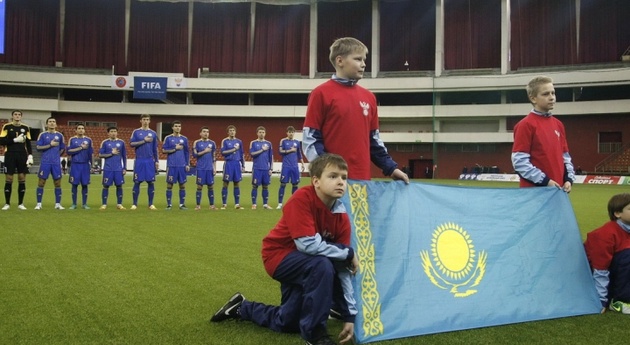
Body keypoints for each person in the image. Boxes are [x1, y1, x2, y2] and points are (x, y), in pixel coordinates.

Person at [210, 154, 358, 345]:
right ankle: (315, 336)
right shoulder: (302, 198)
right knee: (322, 265)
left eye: (344, 178)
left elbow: (343, 270)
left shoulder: (341, 217)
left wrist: (349, 315)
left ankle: (241, 307)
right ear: (316, 181)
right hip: (279, 257)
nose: (340, 182)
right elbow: (307, 245)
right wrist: (348, 253)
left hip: (307, 264)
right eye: (333, 176)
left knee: (288, 322)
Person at [302, 37, 408, 184]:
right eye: (358, 59)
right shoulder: (320, 94)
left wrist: (391, 168)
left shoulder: (369, 97)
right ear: (340, 61)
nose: (363, 64)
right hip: (331, 182)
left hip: (362, 181)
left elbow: (374, 142)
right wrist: (328, 171)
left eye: (364, 60)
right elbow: (311, 139)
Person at [511, 76, 575, 192]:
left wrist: (568, 179)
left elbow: (565, 157)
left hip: (558, 192)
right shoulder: (525, 125)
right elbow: (520, 163)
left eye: (553, 93)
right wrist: (546, 181)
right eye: (546, 94)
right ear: (533, 98)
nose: (551, 97)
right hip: (534, 195)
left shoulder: (558, 124)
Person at [584, 193, 630, 314]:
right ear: (617, 213)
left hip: (616, 273)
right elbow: (600, 269)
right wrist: (601, 300)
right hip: (593, 276)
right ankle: (618, 301)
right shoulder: (605, 234)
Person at [0, 110, 33, 210]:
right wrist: (14, 140)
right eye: (15, 114)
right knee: (9, 178)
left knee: (22, 178)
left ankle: (20, 203)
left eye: (19, 115)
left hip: (22, 155)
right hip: (10, 154)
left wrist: (30, 155)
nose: (17, 116)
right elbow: (1, 141)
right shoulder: (7, 126)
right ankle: (7, 204)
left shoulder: (25, 128)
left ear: (21, 117)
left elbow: (28, 142)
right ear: (12, 116)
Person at [35, 117, 65, 210]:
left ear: (56, 124)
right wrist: (50, 145)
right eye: (50, 122)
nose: (52, 123)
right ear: (47, 124)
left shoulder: (60, 135)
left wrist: (56, 156)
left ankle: (57, 204)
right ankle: (39, 204)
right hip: (45, 162)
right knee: (41, 182)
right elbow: (38, 148)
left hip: (55, 163)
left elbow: (62, 148)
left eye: (53, 122)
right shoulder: (42, 135)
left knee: (57, 183)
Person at [129, 114, 159, 210]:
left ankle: (150, 204)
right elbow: (131, 144)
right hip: (140, 160)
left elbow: (155, 149)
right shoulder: (136, 132)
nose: (146, 121)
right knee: (137, 182)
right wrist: (144, 141)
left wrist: (157, 161)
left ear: (149, 121)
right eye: (144, 119)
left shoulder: (153, 133)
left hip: (150, 160)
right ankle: (134, 204)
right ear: (140, 121)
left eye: (147, 119)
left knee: (151, 182)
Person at [162, 120, 190, 210]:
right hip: (171, 165)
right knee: (169, 185)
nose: (178, 127)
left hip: (181, 165)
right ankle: (169, 204)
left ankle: (182, 204)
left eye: (179, 126)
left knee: (182, 185)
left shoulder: (184, 139)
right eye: (176, 126)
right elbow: (163, 150)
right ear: (172, 127)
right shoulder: (168, 138)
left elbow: (187, 152)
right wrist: (175, 148)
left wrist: (187, 164)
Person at [98, 127, 127, 210]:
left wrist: (124, 167)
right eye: (111, 131)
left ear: (117, 133)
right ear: (108, 133)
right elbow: (100, 155)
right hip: (108, 168)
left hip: (118, 169)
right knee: (106, 186)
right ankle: (104, 204)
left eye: (115, 131)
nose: (113, 133)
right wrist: (111, 153)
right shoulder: (105, 143)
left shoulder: (121, 142)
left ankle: (119, 204)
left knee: (119, 186)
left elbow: (124, 156)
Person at [66, 124, 93, 209]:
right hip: (75, 165)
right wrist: (81, 148)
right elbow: (69, 151)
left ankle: (84, 204)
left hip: (85, 165)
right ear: (76, 130)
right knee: (74, 184)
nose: (81, 130)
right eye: (79, 128)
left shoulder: (88, 140)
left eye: (82, 128)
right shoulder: (72, 139)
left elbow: (91, 153)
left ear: (84, 130)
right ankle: (74, 204)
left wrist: (92, 165)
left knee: (85, 185)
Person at [277, 126, 304, 209]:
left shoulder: (297, 142)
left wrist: (302, 163)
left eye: (292, 132)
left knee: (295, 184)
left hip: (295, 166)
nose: (291, 133)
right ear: (287, 133)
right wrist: (290, 150)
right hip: (286, 166)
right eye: (289, 132)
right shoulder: (283, 141)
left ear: (294, 133)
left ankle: (294, 203)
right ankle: (280, 203)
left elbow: (299, 153)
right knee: (283, 184)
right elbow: (280, 152)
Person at [220, 125, 245, 209]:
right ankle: (224, 204)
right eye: (230, 130)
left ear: (235, 132)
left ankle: (237, 204)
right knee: (225, 183)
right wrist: (233, 150)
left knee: (237, 183)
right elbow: (223, 152)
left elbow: (242, 154)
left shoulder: (239, 141)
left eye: (233, 130)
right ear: (228, 132)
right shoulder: (225, 141)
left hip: (237, 164)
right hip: (228, 164)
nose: (232, 132)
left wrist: (243, 165)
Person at [192, 126, 217, 210]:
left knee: (211, 186)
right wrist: (205, 151)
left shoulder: (212, 143)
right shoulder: (197, 142)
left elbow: (214, 156)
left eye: (207, 132)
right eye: (204, 131)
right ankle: (198, 205)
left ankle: (212, 205)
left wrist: (214, 168)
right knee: (199, 186)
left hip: (209, 168)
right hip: (201, 168)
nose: (206, 133)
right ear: (200, 133)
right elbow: (195, 155)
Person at [249, 126, 273, 210]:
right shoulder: (253, 143)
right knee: (255, 186)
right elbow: (252, 154)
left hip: (266, 169)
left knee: (265, 186)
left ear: (265, 133)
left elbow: (271, 157)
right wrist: (262, 150)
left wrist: (271, 169)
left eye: (263, 132)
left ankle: (265, 204)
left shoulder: (269, 144)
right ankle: (254, 204)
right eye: (260, 132)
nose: (261, 134)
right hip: (257, 168)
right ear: (257, 133)